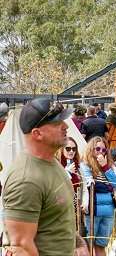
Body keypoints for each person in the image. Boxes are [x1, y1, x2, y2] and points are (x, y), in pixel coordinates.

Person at [2, 99, 87, 256]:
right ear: (37, 133)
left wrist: (78, 243)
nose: (66, 126)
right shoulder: (25, 179)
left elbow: (56, 219)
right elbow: (22, 247)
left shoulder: (51, 162)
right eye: (57, 123)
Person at [81, 136, 116, 256]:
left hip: (109, 210)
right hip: (92, 209)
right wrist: (107, 185)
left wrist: (105, 167)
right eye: (97, 149)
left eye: (103, 150)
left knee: (101, 245)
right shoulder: (85, 165)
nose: (100, 152)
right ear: (91, 149)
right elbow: (90, 184)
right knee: (89, 245)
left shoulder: (111, 166)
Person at [60, 136, 85, 232]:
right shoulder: (56, 164)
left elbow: (84, 186)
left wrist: (85, 202)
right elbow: (55, 184)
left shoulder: (78, 166)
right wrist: (67, 172)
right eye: (68, 148)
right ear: (62, 149)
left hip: (76, 206)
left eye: (74, 149)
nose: (71, 151)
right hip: (62, 206)